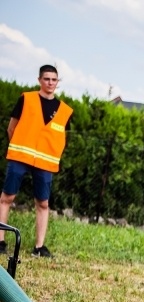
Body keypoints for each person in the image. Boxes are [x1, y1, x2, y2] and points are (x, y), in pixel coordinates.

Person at [1, 65, 73, 258]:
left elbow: (61, 140)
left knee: (43, 203)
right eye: (47, 79)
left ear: (58, 82)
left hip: (44, 163)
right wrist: (20, 148)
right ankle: (0, 241)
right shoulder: (26, 99)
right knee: (7, 197)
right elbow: (11, 128)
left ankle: (39, 247)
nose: (50, 83)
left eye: (54, 79)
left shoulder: (65, 111)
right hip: (20, 157)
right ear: (39, 80)